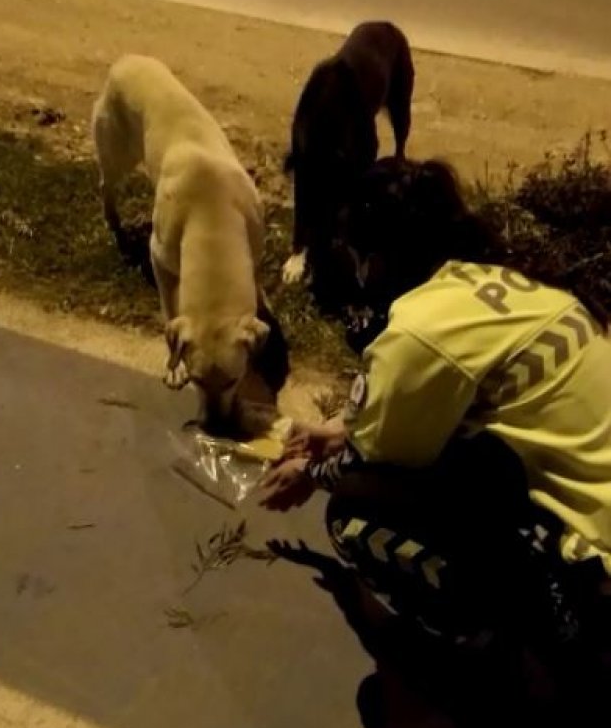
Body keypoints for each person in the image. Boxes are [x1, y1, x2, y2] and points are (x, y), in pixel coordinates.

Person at [260, 158, 611, 695]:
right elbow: (437, 397)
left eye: (354, 254)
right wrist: (340, 428)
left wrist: (311, 471)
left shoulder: (416, 333)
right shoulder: (504, 286)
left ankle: (509, 651)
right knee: (469, 466)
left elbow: (365, 469)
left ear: (374, 259)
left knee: (353, 523)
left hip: (596, 578)